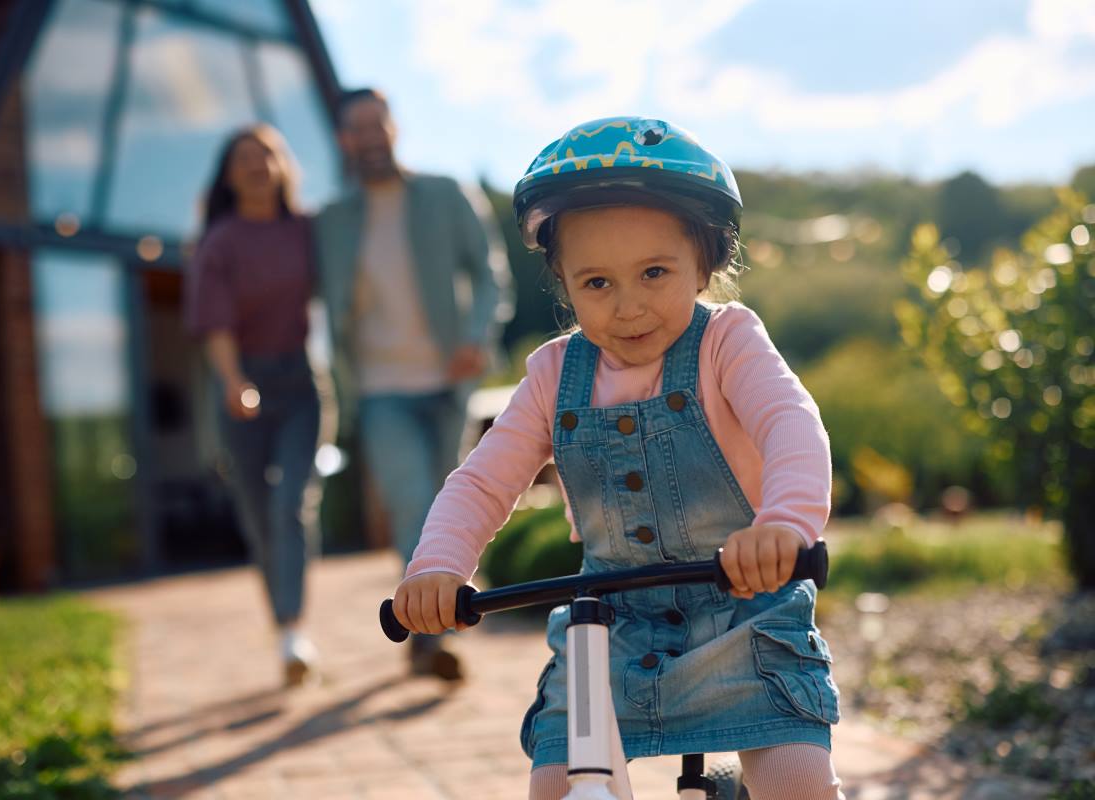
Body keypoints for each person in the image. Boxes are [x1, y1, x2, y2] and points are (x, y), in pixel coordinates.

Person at [391, 117, 845, 800]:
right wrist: (437, 567)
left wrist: (784, 524)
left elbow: (790, 424)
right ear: (564, 282)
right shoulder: (553, 375)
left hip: (744, 609)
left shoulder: (728, 343)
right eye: (597, 283)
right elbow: (482, 482)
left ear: (706, 263)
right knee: (559, 785)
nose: (628, 306)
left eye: (654, 273)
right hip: (608, 624)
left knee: (797, 784)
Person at [315, 88, 512, 681]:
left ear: (395, 129)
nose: (370, 138)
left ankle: (430, 622)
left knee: (449, 501)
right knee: (410, 501)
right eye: (357, 130)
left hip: (449, 379)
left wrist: (477, 337)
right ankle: (428, 637)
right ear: (344, 140)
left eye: (379, 125)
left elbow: (488, 275)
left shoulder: (445, 194)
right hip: (379, 387)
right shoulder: (330, 221)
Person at [185, 124, 321, 687]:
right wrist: (233, 379)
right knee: (257, 511)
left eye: (265, 153)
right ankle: (282, 622)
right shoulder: (219, 241)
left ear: (282, 164)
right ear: (228, 174)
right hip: (240, 380)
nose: (255, 164)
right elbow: (214, 321)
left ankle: (293, 630)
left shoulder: (306, 232)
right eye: (242, 157)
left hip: (299, 383)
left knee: (290, 502)